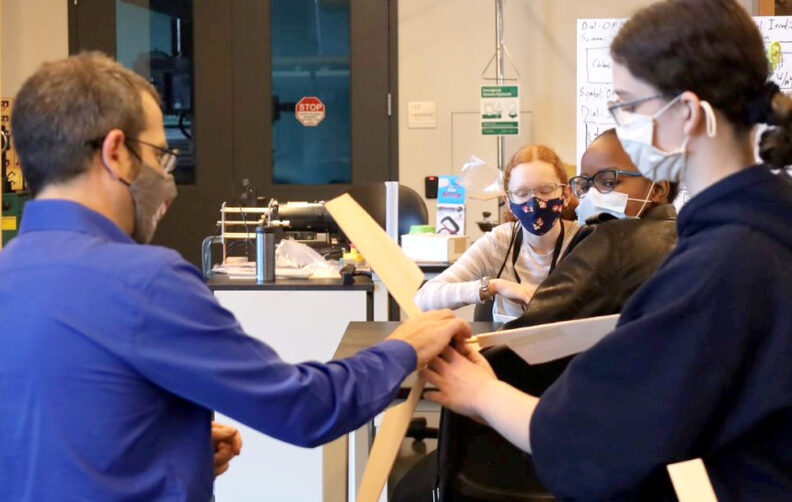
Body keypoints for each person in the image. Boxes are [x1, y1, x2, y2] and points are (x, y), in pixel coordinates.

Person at [0, 52, 471, 501]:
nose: (167, 180)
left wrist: (171, 440)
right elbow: (307, 408)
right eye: (160, 157)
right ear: (117, 153)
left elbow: (47, 426)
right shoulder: (144, 282)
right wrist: (404, 347)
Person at [422, 0, 792, 500]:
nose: (620, 120)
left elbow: (592, 435)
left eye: (627, 104)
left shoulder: (722, 260)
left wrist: (481, 393)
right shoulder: (762, 221)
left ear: (686, 112)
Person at [507, 128, 678, 328]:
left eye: (608, 182)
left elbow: (531, 332)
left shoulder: (613, 241)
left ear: (657, 189)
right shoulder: (691, 237)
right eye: (585, 185)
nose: (592, 195)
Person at [414, 145, 579, 322]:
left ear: (566, 194)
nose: (535, 201)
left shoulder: (585, 240)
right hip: (509, 347)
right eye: (522, 193)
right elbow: (423, 299)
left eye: (545, 190)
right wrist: (494, 286)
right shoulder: (499, 242)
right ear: (507, 200)